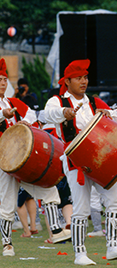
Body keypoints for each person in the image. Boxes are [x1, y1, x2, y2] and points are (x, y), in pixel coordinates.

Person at [0, 58, 70, 257]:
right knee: (8, 203)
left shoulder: (14, 102)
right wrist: (4, 113)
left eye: (4, 79)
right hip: (1, 156)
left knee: (48, 188)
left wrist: (25, 122)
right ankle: (7, 243)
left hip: (23, 156)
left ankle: (55, 230)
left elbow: (32, 115)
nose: (3, 82)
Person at [44, 59, 117, 266]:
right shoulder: (57, 101)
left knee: (113, 201)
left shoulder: (94, 102)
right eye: (78, 78)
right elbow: (47, 114)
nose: (83, 81)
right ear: (67, 81)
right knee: (82, 208)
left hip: (101, 160)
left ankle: (112, 245)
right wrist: (63, 113)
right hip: (76, 163)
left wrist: (109, 114)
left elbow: (112, 118)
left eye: (85, 77)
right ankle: (79, 254)